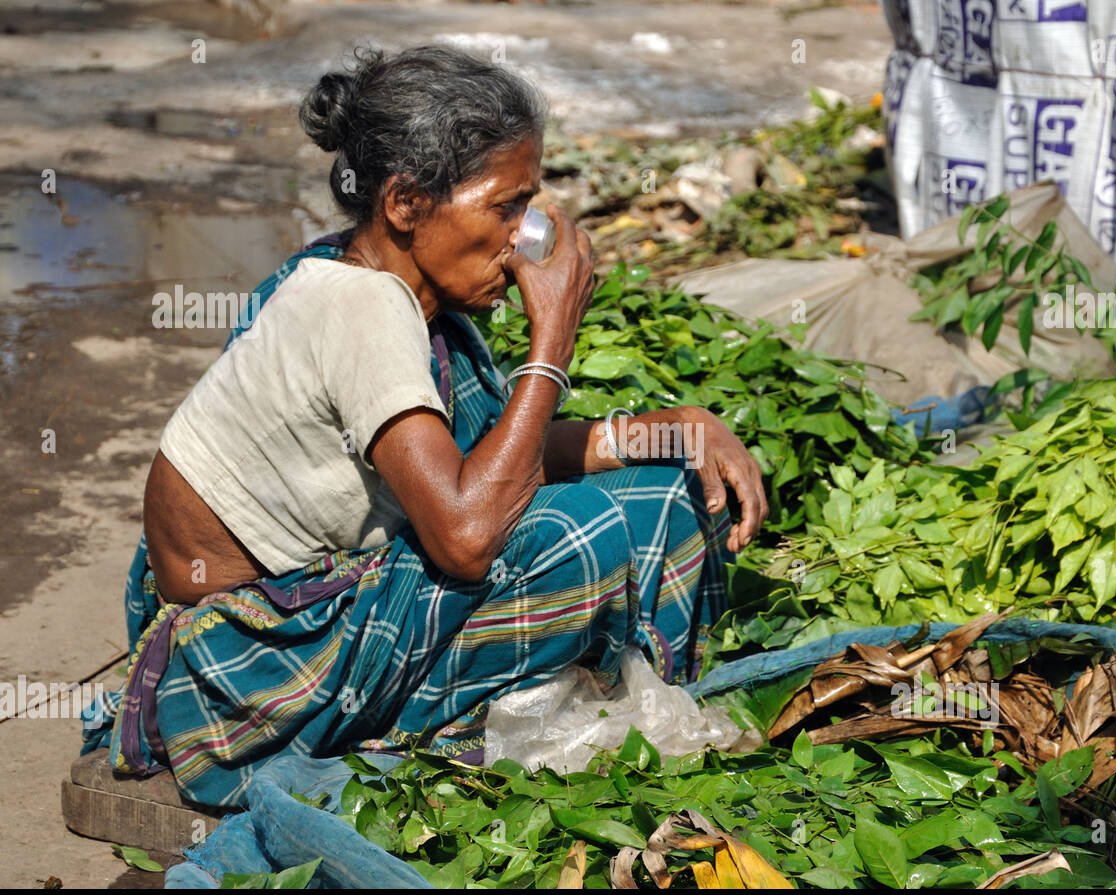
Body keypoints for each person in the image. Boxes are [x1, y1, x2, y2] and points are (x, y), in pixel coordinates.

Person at [82, 45, 768, 808]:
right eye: (505, 206)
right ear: (406, 204)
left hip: (327, 601)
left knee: (666, 492)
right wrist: (551, 348)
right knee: (586, 535)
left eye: (529, 204)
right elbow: (469, 537)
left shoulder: (409, 298)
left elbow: (496, 458)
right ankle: (491, 728)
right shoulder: (361, 305)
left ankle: (623, 702)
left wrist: (666, 432)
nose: (525, 237)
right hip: (251, 662)